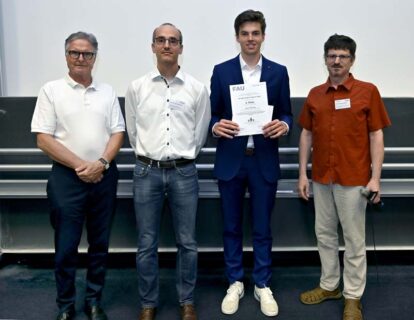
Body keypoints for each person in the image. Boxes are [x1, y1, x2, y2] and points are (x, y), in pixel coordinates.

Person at [31, 31, 125, 320]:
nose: (81, 58)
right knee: (66, 246)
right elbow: (43, 139)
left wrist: (100, 163)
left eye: (87, 54)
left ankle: (94, 300)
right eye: (75, 53)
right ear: (66, 56)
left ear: (95, 58)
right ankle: (66, 305)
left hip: (103, 176)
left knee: (100, 244)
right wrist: (81, 167)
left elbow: (118, 133)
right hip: (66, 179)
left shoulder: (107, 92)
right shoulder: (51, 90)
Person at [297, 34, 391, 320]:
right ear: (325, 59)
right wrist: (303, 173)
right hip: (322, 178)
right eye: (331, 55)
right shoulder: (315, 94)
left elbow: (376, 135)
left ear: (352, 60)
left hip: (354, 179)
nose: (336, 61)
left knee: (353, 240)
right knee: (324, 235)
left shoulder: (367, 91)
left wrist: (376, 178)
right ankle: (329, 285)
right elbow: (306, 134)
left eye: (343, 56)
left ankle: (352, 297)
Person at [209, 9, 293, 317]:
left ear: (263, 36)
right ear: (237, 37)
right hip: (232, 160)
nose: (250, 39)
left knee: (261, 227)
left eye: (255, 33)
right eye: (245, 34)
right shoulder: (222, 71)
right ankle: (234, 281)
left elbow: (286, 113)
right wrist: (215, 127)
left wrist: (284, 126)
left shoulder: (278, 72)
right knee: (230, 227)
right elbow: (214, 115)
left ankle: (261, 284)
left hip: (263, 160)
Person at [125, 23, 211, 320]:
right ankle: (148, 303)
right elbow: (133, 133)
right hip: (146, 171)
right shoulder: (137, 87)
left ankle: (186, 301)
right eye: (161, 40)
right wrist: (151, 156)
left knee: (187, 242)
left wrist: (181, 157)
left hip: (184, 172)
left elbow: (199, 134)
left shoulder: (197, 89)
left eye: (173, 41)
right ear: (152, 46)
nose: (166, 45)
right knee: (146, 242)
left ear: (181, 48)